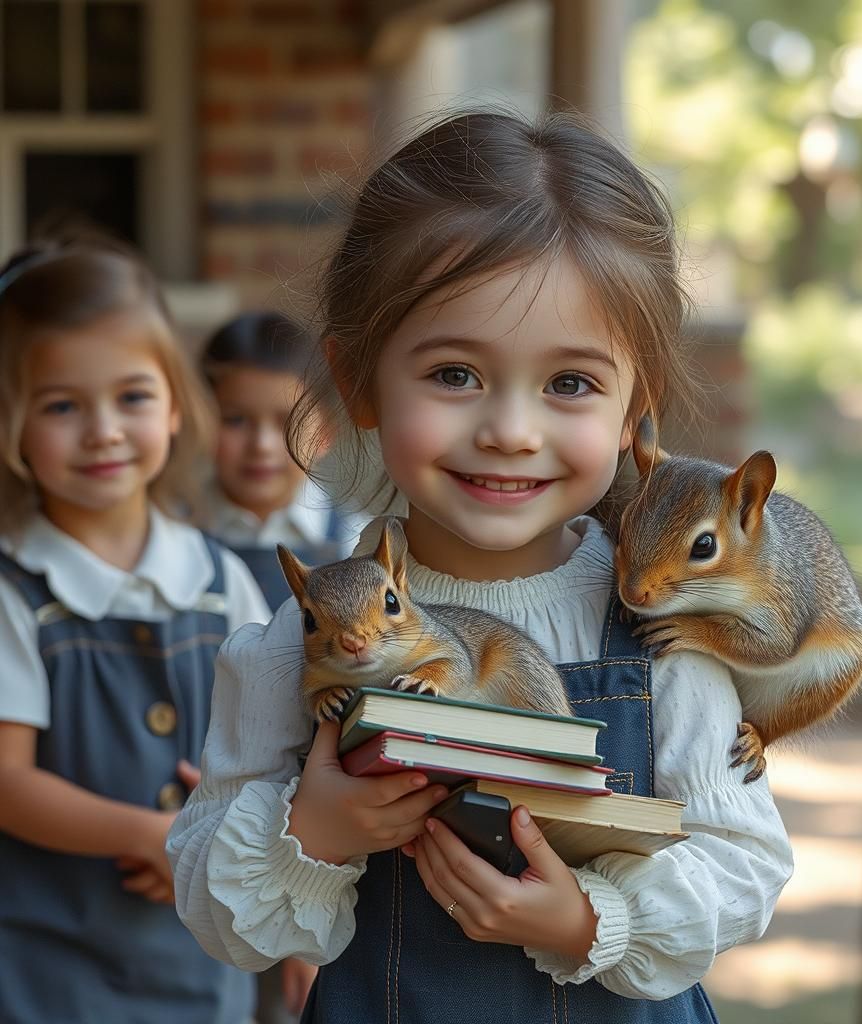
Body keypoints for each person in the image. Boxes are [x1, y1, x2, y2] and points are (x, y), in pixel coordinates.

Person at [168, 110, 794, 1023]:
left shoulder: (663, 640)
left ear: (634, 411)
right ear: (358, 383)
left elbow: (745, 861)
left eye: (569, 383)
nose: (509, 428)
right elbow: (219, 910)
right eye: (455, 373)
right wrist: (315, 832)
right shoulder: (290, 653)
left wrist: (591, 921)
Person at [0, 237, 270, 1024]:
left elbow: (277, 749)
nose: (104, 431)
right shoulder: (17, 590)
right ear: (11, 420)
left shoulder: (223, 583)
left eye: (133, 397)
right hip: (42, 968)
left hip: (202, 965)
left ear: (178, 404)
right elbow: (8, 781)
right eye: (61, 406)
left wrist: (221, 835)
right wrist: (158, 835)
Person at [200, 311, 368, 614]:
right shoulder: (173, 534)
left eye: (287, 422)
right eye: (235, 420)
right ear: (200, 424)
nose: (261, 445)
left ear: (325, 433)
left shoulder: (359, 543)